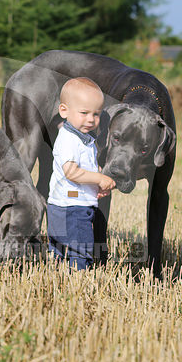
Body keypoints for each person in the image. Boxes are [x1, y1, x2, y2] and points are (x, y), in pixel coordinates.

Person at [47, 77, 115, 270]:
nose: (91, 119)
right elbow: (72, 172)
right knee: (81, 250)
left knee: (59, 250)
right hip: (73, 207)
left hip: (63, 205)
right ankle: (79, 280)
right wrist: (99, 178)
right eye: (84, 113)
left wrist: (98, 182)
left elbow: (86, 168)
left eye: (96, 114)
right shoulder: (69, 140)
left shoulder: (83, 138)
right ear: (64, 110)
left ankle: (58, 277)